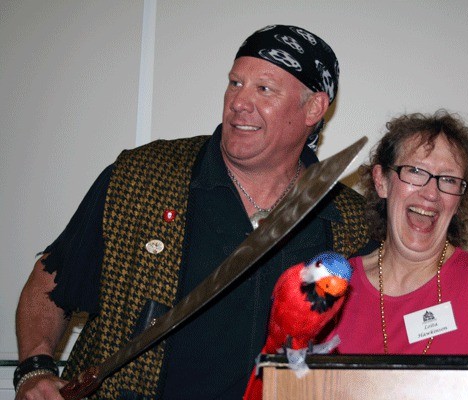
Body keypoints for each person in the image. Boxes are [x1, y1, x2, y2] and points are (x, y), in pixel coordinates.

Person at [14, 25, 371, 399]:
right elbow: (49, 284)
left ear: (313, 107)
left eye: (263, 89)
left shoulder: (350, 223)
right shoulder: (142, 178)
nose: (239, 101)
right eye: (235, 83)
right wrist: (34, 370)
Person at [328, 110, 468, 355]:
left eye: (449, 180)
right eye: (416, 171)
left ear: (459, 202)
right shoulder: (333, 286)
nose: (431, 194)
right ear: (382, 181)